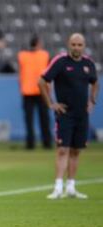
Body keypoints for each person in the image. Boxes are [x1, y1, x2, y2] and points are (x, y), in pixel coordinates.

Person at [39, 33, 99, 199]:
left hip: (82, 115)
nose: (76, 48)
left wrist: (92, 101)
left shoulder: (88, 64)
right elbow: (42, 81)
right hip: (65, 113)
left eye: (79, 45)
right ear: (68, 44)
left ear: (84, 46)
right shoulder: (60, 61)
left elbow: (95, 82)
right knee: (62, 149)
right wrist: (51, 103)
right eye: (73, 44)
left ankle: (71, 187)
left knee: (76, 151)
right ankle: (58, 187)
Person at [17, 36, 52, 150]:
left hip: (27, 91)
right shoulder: (45, 55)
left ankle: (30, 143)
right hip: (41, 90)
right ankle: (47, 142)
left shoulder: (22, 55)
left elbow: (20, 73)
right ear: (38, 44)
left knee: (29, 120)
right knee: (44, 119)